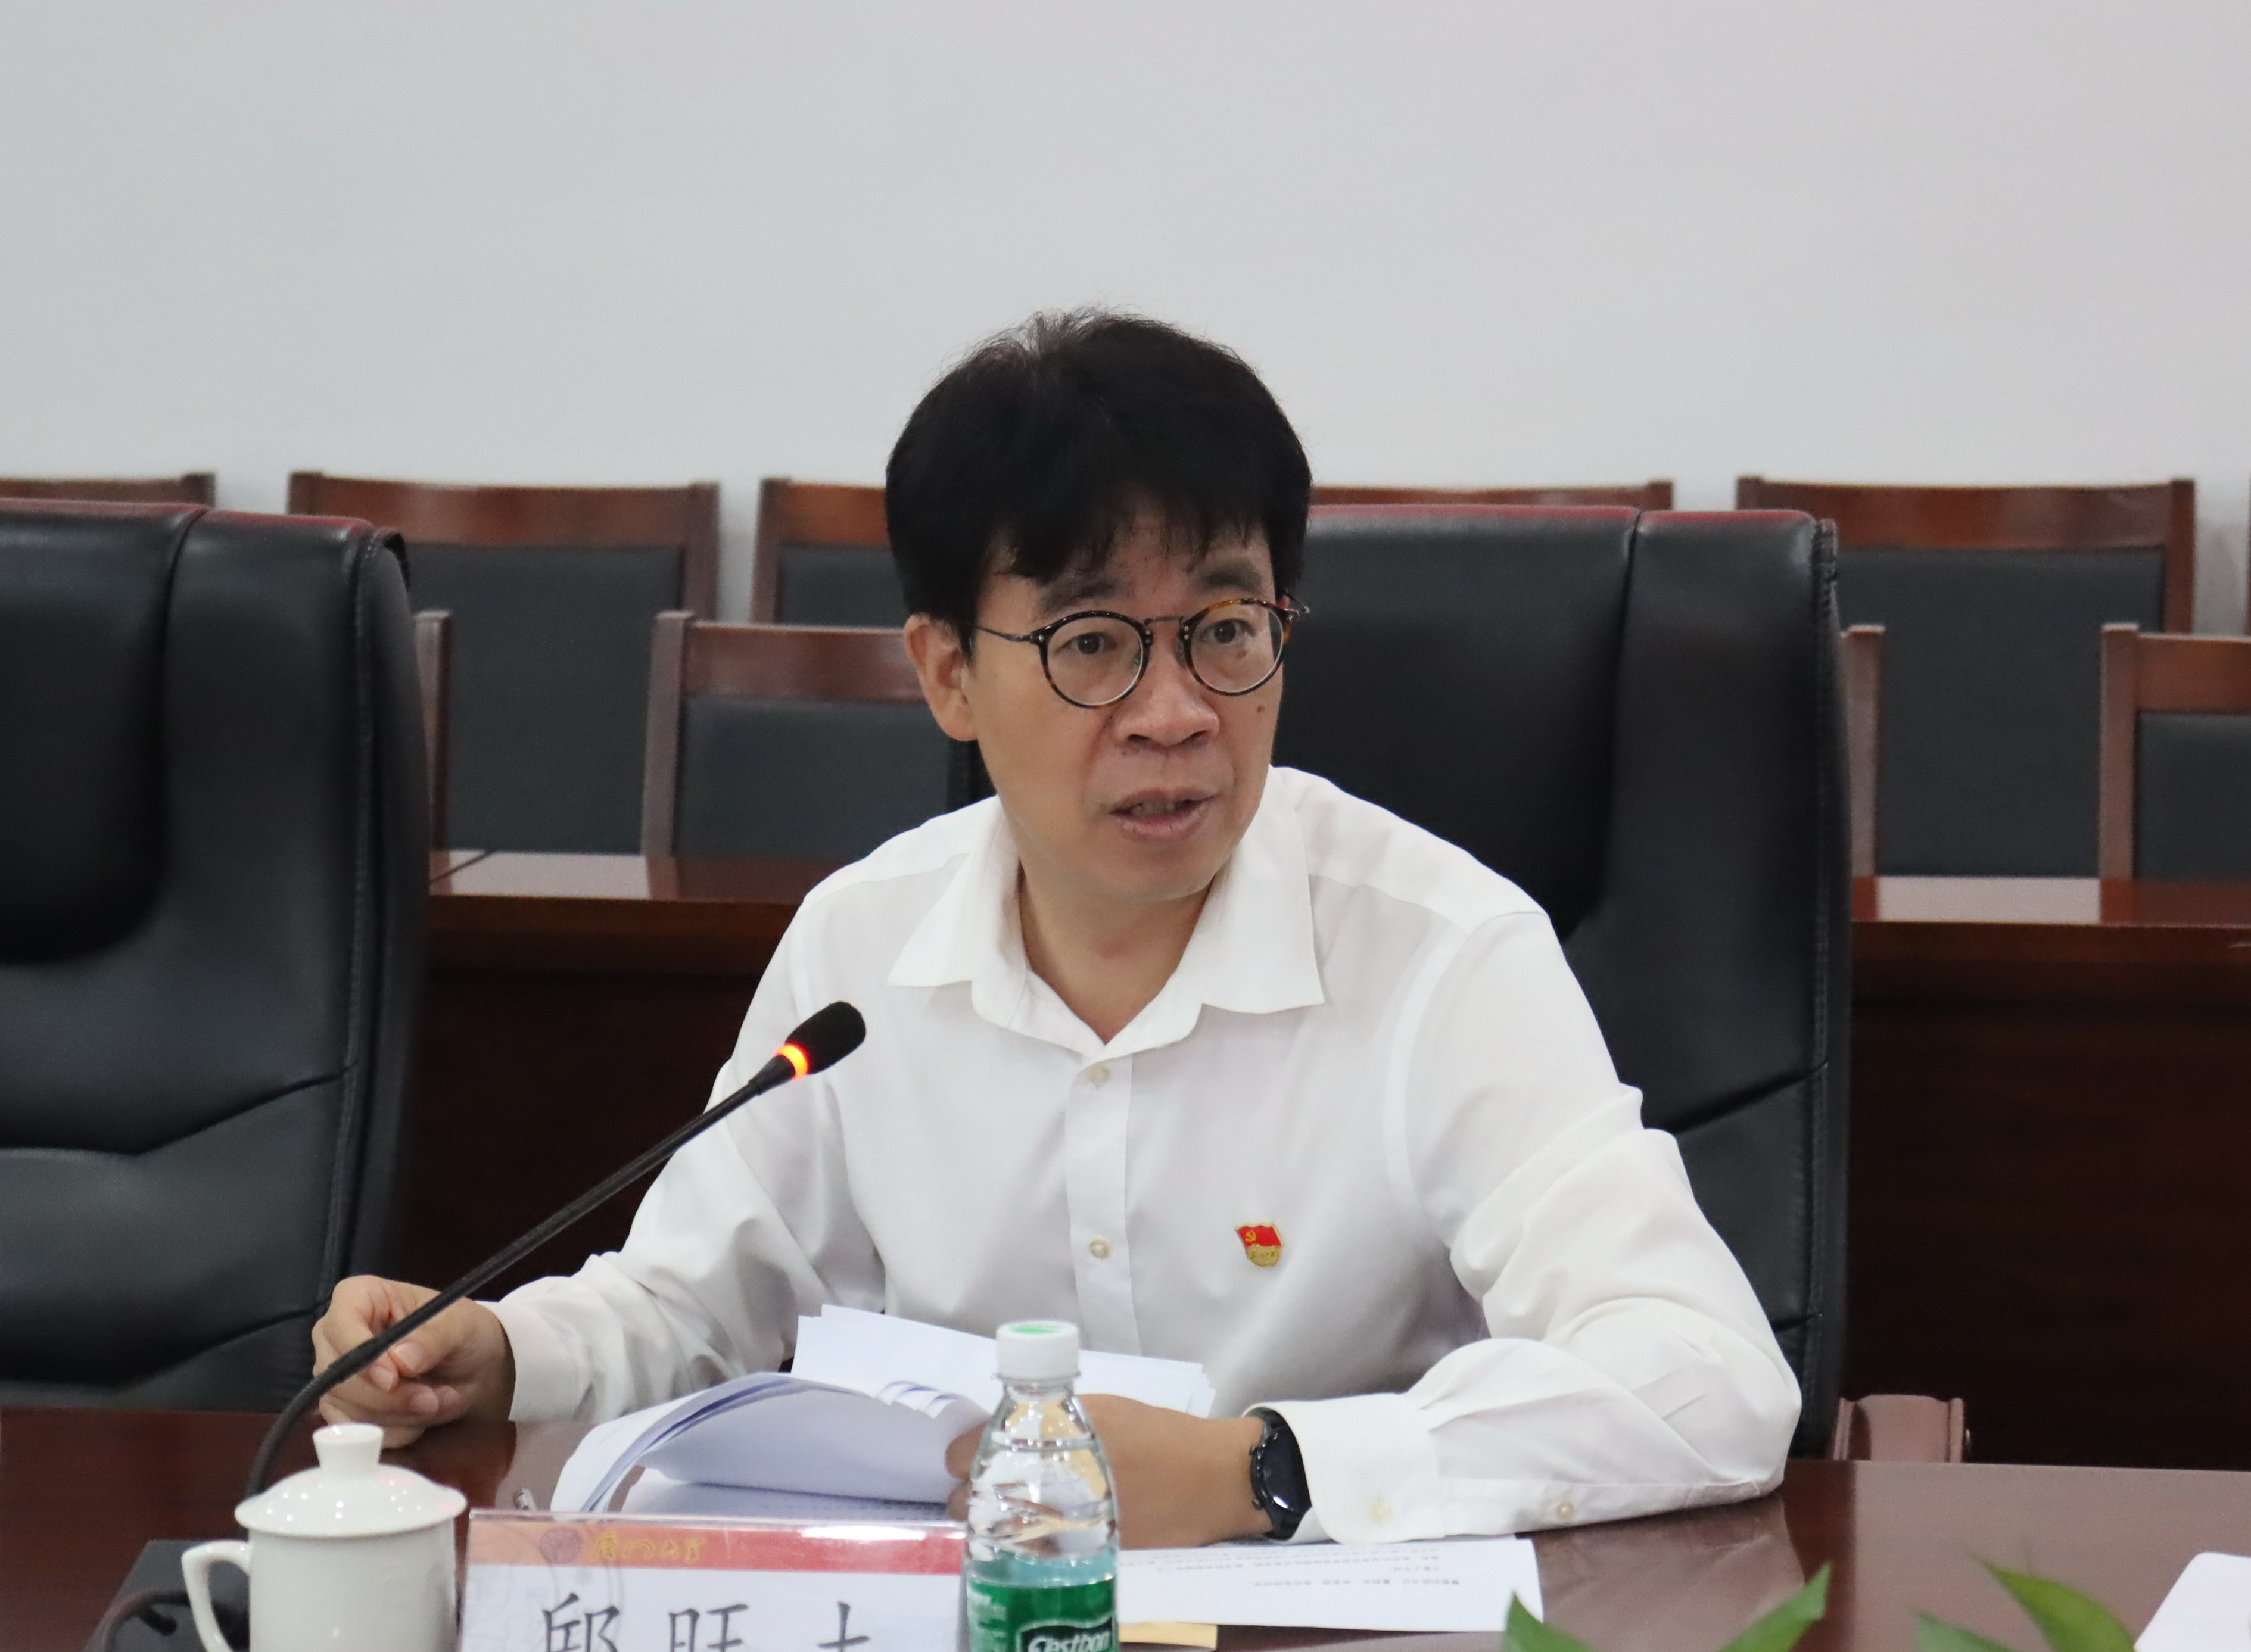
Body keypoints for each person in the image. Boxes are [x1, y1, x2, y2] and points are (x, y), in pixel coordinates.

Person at [314, 310, 1799, 1546]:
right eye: (1093, 644)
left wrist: (1262, 1470)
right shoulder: (863, 945)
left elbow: (1710, 1375)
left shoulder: (1441, 950)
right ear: (947, 675)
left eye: (1226, 630)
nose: (1176, 713)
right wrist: (496, 1350)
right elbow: (696, 1302)